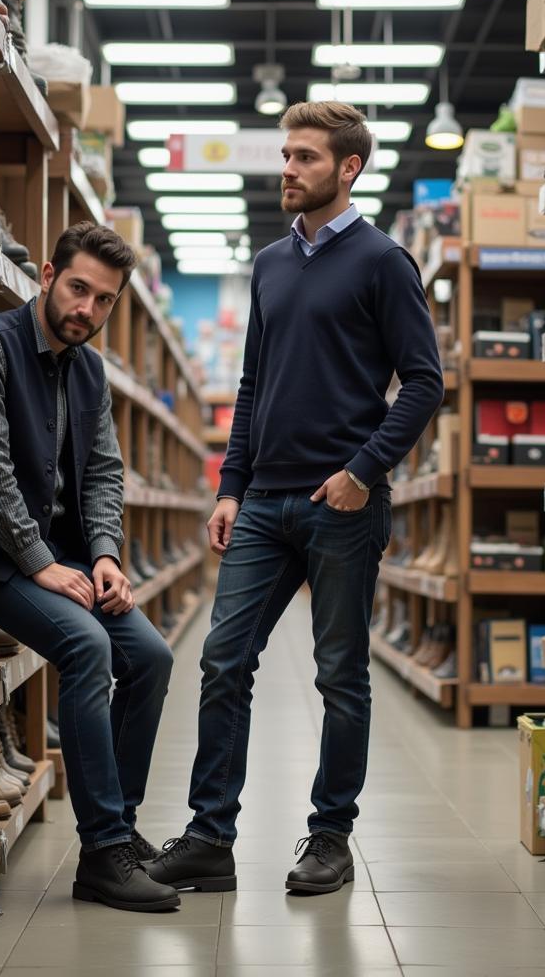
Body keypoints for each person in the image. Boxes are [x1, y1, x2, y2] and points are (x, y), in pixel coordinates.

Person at [145, 101, 445, 896]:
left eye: (305, 158)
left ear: (348, 169)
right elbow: (253, 385)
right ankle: (211, 836)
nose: (288, 169)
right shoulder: (273, 262)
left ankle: (330, 837)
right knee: (221, 660)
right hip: (265, 505)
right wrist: (230, 486)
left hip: (341, 505)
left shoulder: (385, 262)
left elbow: (424, 383)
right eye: (285, 155)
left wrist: (364, 470)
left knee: (339, 674)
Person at [0, 221, 180, 913]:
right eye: (78, 290)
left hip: (64, 558)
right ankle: (101, 852)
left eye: (104, 302)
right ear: (46, 276)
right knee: (87, 644)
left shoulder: (90, 368)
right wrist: (40, 563)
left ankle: (120, 832)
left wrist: (105, 555)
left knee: (153, 658)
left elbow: (103, 471)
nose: (87, 311)